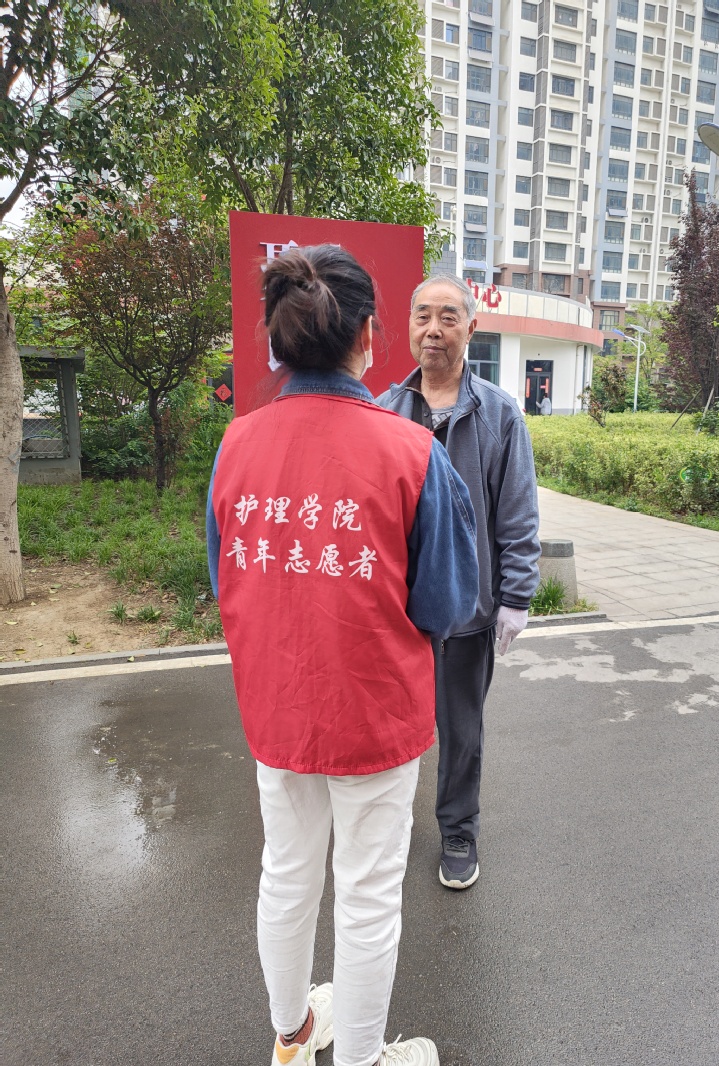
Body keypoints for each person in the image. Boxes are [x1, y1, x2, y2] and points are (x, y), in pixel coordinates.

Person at [206, 246, 478, 1066]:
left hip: (277, 709)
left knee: (286, 872)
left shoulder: (236, 445)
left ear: (276, 341)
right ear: (368, 335)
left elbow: (224, 579)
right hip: (375, 716)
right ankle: (361, 1058)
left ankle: (292, 1034)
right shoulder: (411, 452)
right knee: (366, 896)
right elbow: (446, 605)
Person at [377, 274, 541, 891]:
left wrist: (515, 597)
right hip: (397, 613)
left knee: (461, 731)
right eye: (423, 316)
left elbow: (517, 513)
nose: (434, 329)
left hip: (468, 611)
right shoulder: (385, 411)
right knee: (391, 727)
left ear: (471, 328)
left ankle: (458, 830)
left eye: (449, 317)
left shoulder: (498, 414)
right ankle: (387, 829)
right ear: (409, 325)